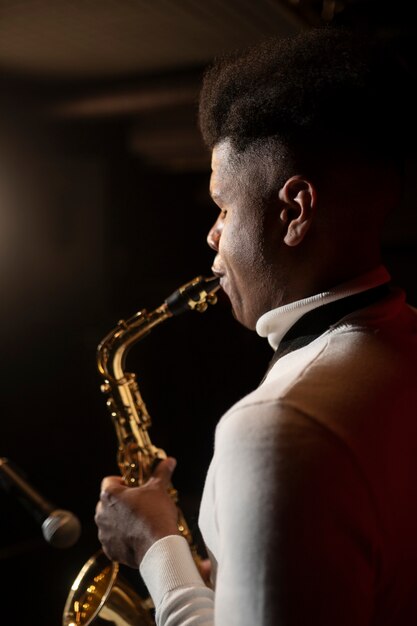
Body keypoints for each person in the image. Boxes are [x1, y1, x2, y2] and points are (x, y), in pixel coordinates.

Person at [95, 26, 417, 625]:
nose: (210, 235)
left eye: (223, 206)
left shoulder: (276, 426)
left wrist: (157, 549)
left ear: (294, 211)